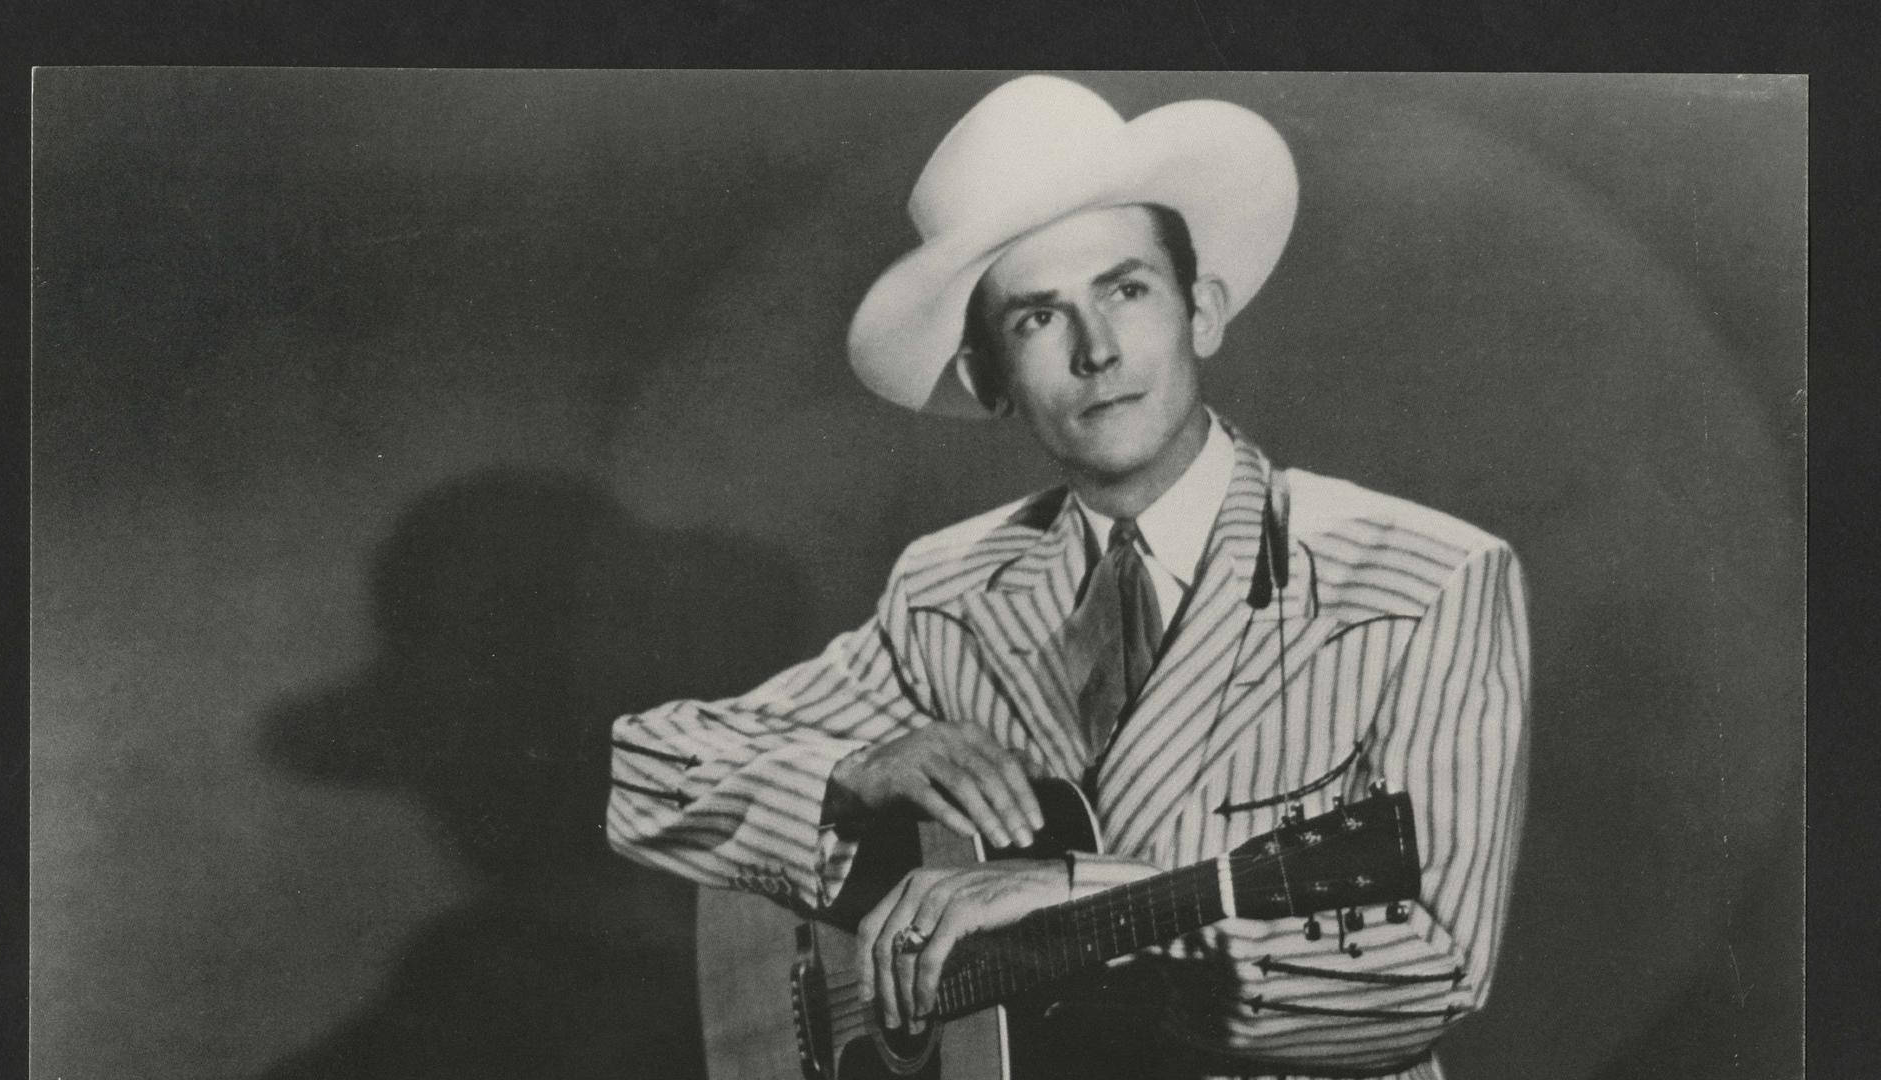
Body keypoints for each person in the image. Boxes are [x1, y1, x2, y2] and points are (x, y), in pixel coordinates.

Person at [607, 75, 1529, 1080]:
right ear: (987, 380)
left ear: (1202, 310)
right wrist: (844, 777)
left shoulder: (1425, 579)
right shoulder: (950, 593)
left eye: (1126, 290)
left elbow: (1431, 973)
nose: (1097, 351)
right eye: (1038, 318)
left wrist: (1091, 898)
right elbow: (643, 780)